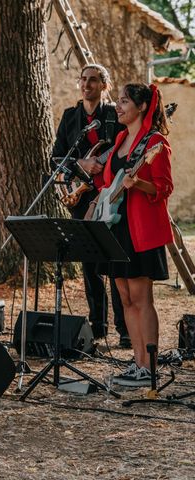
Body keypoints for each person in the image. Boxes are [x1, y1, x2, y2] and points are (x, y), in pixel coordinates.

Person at [51, 64, 129, 347]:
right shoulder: (71, 117)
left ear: (104, 86)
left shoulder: (113, 115)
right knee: (90, 265)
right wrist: (81, 163)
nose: (87, 85)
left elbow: (128, 147)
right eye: (83, 80)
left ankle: (125, 330)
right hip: (80, 196)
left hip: (112, 195)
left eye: (94, 80)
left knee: (115, 260)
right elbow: (56, 158)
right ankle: (98, 327)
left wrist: (107, 166)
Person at [100, 83, 173, 387]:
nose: (118, 106)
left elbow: (164, 187)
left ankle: (150, 367)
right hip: (115, 227)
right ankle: (137, 361)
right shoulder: (119, 139)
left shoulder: (155, 143)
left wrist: (139, 184)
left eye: (124, 101)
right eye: (118, 101)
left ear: (142, 107)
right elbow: (108, 181)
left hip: (140, 230)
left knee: (142, 298)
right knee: (125, 298)